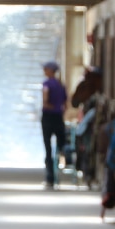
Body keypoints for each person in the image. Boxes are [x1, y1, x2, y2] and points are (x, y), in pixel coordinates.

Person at [41, 60, 67, 188]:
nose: (44, 71)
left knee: (48, 148)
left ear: (50, 71)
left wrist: (48, 106)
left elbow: (45, 101)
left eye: (45, 69)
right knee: (60, 145)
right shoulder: (61, 85)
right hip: (59, 118)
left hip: (48, 118)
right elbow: (65, 104)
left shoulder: (46, 84)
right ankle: (62, 166)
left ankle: (50, 177)